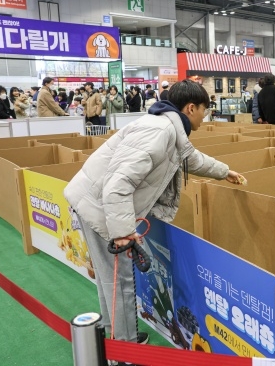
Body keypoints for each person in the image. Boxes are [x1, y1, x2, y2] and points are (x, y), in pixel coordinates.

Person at [63, 79, 245, 351]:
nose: (206, 116)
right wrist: (123, 233)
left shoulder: (170, 128)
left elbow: (191, 159)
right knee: (120, 280)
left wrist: (224, 171)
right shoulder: (159, 132)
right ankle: (123, 352)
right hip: (102, 209)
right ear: (191, 107)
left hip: (95, 203)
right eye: (205, 110)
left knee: (109, 279)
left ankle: (115, 340)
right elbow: (118, 185)